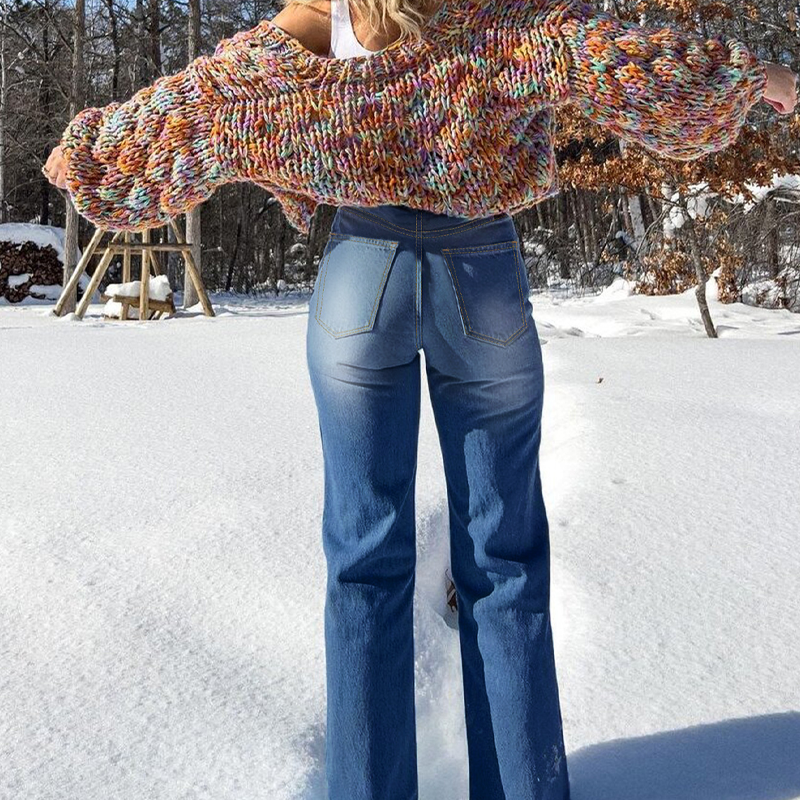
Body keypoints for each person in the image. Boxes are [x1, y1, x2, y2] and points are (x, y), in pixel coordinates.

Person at [43, 2, 797, 799]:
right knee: (504, 559)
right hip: (482, 276)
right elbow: (633, 62)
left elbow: (182, 114)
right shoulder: (509, 18)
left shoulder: (320, 19)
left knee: (362, 560)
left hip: (360, 282)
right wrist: (756, 78)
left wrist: (86, 154)